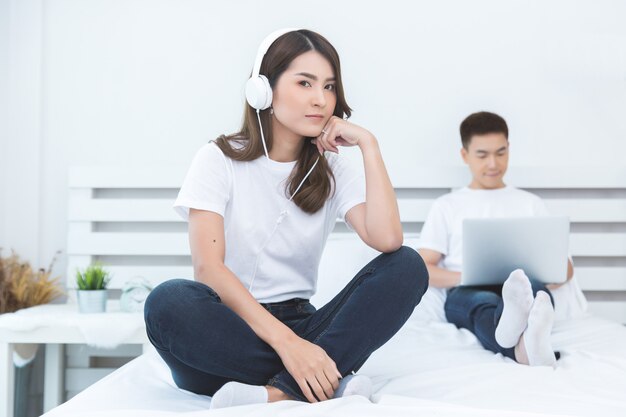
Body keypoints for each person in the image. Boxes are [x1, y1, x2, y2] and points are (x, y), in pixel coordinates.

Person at [144, 29, 429, 409]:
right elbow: (208, 270)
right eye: (305, 83)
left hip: (302, 322)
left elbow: (388, 240)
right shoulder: (217, 160)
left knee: (408, 265)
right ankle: (326, 377)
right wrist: (291, 347)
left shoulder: (331, 168)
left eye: (329, 87)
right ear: (263, 90)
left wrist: (369, 145)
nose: (321, 99)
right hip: (225, 331)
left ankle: (277, 392)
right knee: (168, 302)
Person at [417, 111, 575, 367]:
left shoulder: (531, 204)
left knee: (537, 293)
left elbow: (565, 269)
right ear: (464, 155)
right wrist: (467, 277)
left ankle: (520, 345)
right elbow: (423, 267)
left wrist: (551, 272)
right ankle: (523, 334)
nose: (493, 163)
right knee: (483, 304)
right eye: (482, 155)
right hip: (467, 290)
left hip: (524, 286)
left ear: (509, 149)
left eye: (501, 153)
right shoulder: (446, 205)